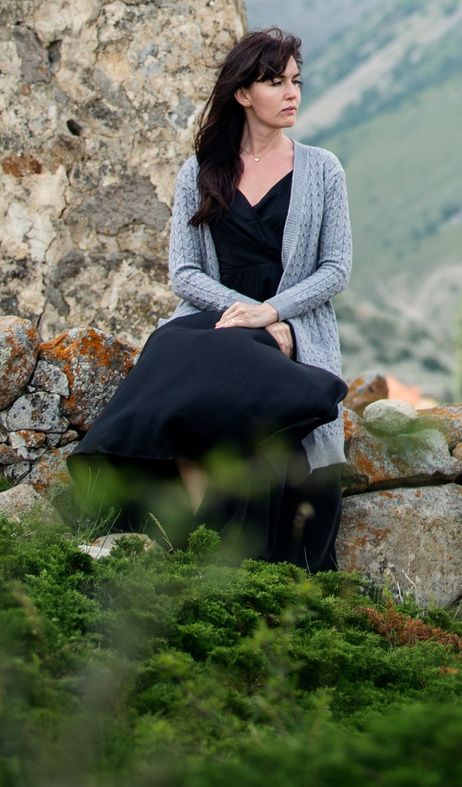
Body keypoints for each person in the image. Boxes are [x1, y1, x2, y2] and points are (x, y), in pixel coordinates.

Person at [69, 28, 350, 566]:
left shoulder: (322, 169)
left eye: (295, 81)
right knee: (168, 348)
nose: (292, 93)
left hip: (291, 328)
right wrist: (241, 314)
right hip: (213, 320)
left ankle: (207, 544)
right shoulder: (198, 171)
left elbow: (335, 268)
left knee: (242, 379)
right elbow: (185, 272)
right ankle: (193, 530)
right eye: (275, 82)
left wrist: (271, 313)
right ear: (243, 94)